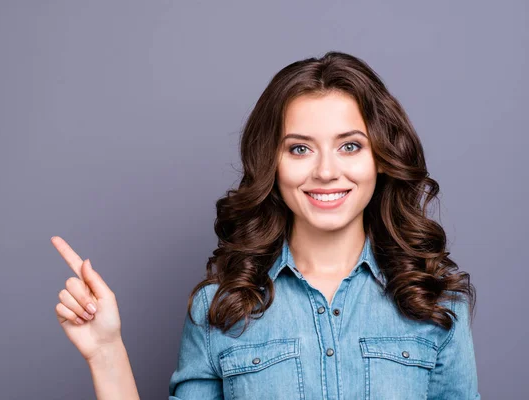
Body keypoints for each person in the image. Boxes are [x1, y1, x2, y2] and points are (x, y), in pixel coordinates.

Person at [51, 51, 480, 399]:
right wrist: (106, 353)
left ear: (381, 158)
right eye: (299, 149)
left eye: (350, 146)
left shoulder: (434, 302)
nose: (327, 171)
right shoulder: (219, 308)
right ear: (270, 164)